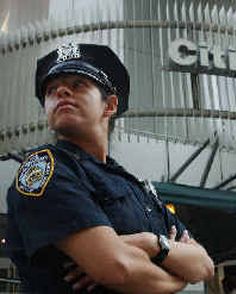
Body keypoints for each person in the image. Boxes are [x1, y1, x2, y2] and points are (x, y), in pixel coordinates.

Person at [6, 42, 214, 293]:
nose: (60, 91)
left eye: (77, 85)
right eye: (51, 90)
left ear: (110, 105)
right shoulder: (44, 167)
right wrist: (177, 277)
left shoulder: (135, 187)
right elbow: (117, 268)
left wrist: (151, 243)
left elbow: (204, 266)